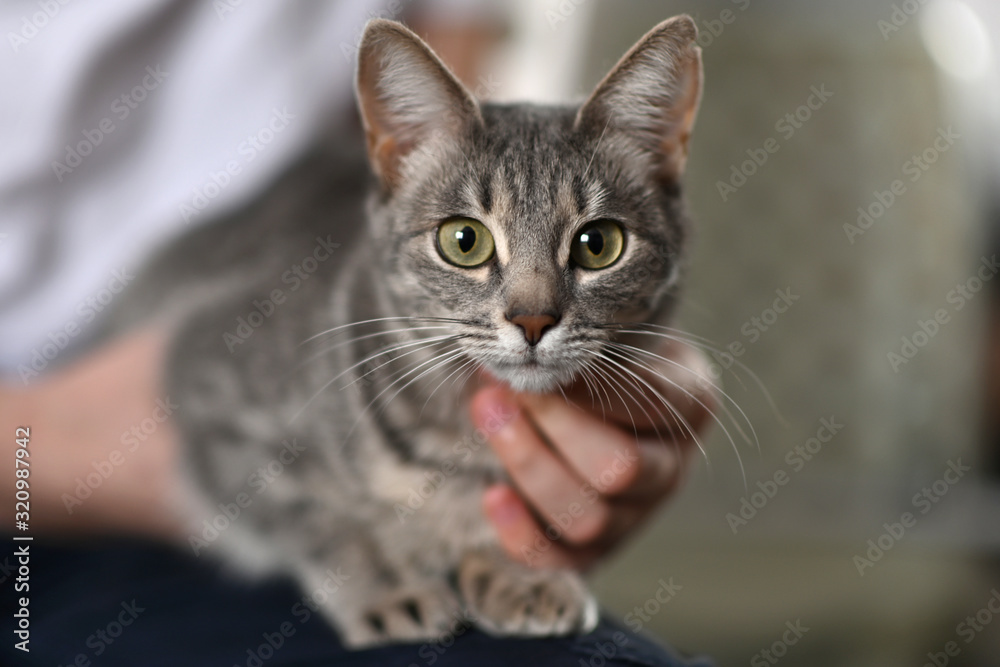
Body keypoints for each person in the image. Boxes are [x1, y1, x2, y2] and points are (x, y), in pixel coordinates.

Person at [0, 2, 716, 664]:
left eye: (595, 246)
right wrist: (55, 441)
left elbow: (484, 113)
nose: (533, 314)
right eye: (469, 242)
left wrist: (631, 369)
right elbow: (195, 364)